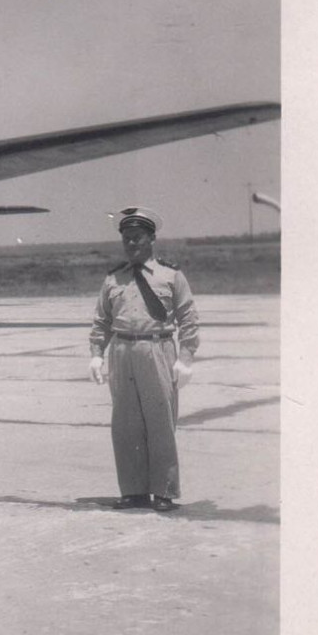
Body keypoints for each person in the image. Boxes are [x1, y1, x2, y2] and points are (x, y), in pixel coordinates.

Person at [88, 207, 200, 513]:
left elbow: (189, 319)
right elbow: (101, 321)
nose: (131, 244)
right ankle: (134, 490)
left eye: (137, 238)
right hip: (122, 352)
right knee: (125, 424)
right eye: (127, 239)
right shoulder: (114, 279)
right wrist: (97, 355)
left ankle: (164, 490)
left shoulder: (171, 276)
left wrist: (186, 357)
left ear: (152, 239)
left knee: (160, 421)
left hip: (157, 350)